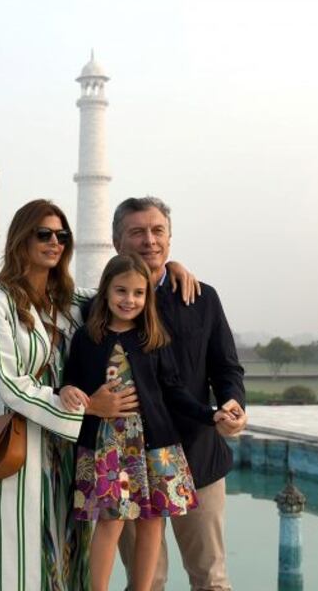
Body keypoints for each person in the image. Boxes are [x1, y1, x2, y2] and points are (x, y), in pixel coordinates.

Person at [0, 199, 199, 591]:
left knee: (69, 551)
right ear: (20, 240)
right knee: (18, 555)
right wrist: (89, 407)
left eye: (62, 235)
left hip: (71, 447)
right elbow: (12, 386)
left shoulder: (71, 300)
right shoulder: (0, 306)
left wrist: (168, 270)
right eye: (43, 234)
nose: (54, 242)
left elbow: (129, 294)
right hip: (23, 444)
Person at [60, 253, 232, 591]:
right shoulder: (87, 338)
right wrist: (66, 390)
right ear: (106, 292)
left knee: (153, 522)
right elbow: (73, 380)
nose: (130, 300)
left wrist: (211, 414)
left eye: (138, 293)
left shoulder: (153, 339)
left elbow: (175, 392)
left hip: (156, 446)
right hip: (107, 447)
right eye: (121, 291)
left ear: (147, 297)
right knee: (110, 523)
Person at [111, 197, 247, 591]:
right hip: (132, 461)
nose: (149, 241)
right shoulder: (106, 304)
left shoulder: (200, 298)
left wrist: (232, 402)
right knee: (146, 582)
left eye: (157, 231)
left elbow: (226, 368)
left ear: (170, 239)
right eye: (137, 232)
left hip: (197, 454)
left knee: (210, 578)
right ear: (117, 240)